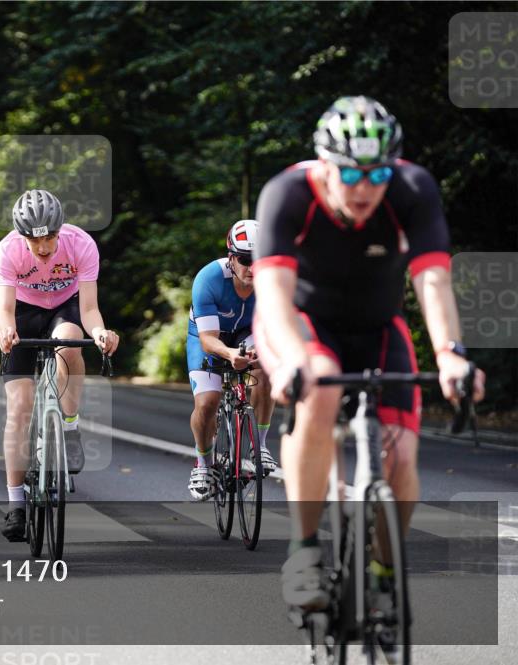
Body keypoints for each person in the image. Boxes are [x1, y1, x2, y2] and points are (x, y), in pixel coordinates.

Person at [252, 96, 485, 610]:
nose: (364, 189)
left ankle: (383, 565)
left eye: (377, 177)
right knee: (319, 384)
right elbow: (272, 293)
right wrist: (292, 360)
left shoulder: (412, 189)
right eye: (350, 175)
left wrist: (449, 353)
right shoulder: (287, 192)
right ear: (325, 166)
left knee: (400, 454)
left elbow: (432, 278)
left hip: (378, 325)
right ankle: (306, 551)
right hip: (300, 322)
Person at [0, 189, 120, 543]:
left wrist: (100, 333)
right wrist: (6, 333)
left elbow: (90, 308)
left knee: (69, 338)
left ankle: (69, 424)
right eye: (36, 241)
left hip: (64, 308)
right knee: (18, 408)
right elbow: (4, 310)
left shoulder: (81, 244)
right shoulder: (7, 250)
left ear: (60, 230)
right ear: (22, 237)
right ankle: (16, 504)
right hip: (22, 311)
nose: (45, 247)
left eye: (50, 238)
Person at [186, 219, 276, 502]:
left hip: (249, 333)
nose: (253, 268)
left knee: (267, 371)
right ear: (231, 258)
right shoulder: (208, 279)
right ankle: (204, 463)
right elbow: (208, 339)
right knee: (207, 402)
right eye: (245, 259)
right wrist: (230, 355)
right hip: (209, 337)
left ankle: (259, 446)